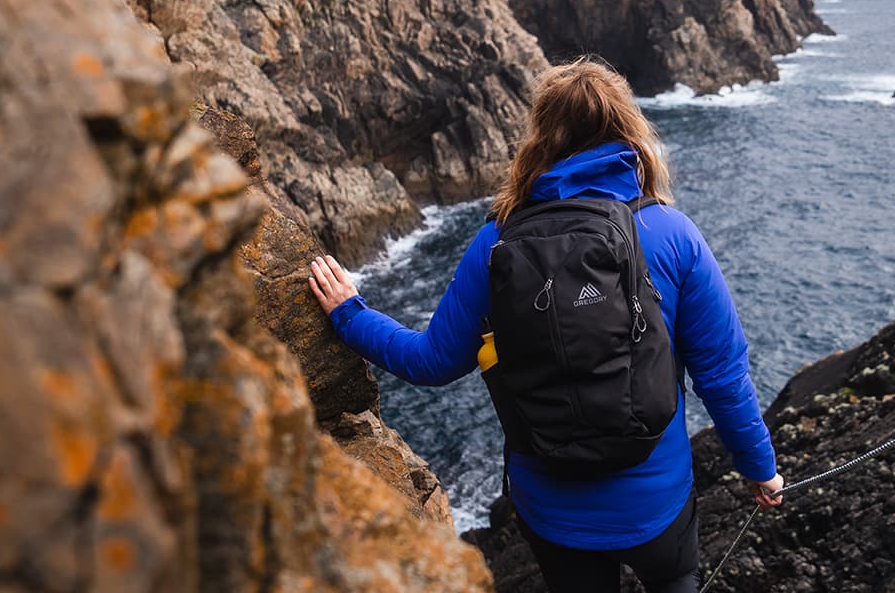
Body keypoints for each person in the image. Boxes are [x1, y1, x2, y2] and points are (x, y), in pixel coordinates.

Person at [307, 58, 783, 593]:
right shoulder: (672, 234)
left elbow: (431, 362)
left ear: (542, 137)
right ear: (629, 131)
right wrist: (759, 467)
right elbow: (721, 375)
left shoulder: (498, 243)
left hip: (553, 512)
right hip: (655, 506)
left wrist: (351, 314)